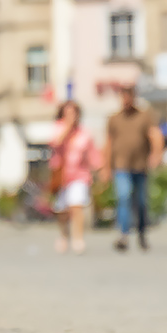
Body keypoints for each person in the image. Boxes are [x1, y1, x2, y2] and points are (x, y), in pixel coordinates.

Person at [103, 84, 164, 252]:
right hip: (121, 166)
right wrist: (106, 167)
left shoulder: (144, 116)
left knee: (142, 203)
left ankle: (142, 234)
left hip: (140, 166)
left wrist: (156, 154)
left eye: (128, 96)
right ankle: (123, 235)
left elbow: (155, 135)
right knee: (124, 198)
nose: (126, 100)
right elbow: (108, 144)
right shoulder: (114, 118)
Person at [49, 101, 101, 254]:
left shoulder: (84, 133)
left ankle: (78, 238)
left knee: (76, 206)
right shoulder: (57, 128)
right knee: (63, 210)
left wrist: (100, 168)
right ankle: (64, 235)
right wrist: (67, 128)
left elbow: (92, 154)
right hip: (61, 175)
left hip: (80, 175)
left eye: (74, 114)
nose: (72, 117)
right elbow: (55, 143)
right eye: (68, 114)